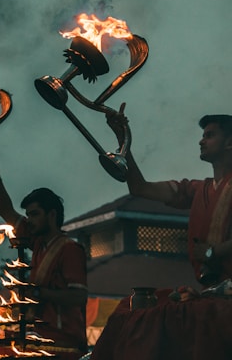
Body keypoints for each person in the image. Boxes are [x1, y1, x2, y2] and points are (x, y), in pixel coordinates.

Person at [88, 103, 232, 360]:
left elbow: (213, 252)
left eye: (209, 135)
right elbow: (140, 188)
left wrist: (215, 250)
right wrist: (124, 142)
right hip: (206, 292)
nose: (201, 141)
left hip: (225, 298)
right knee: (133, 308)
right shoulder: (198, 190)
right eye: (202, 135)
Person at [0, 148, 88, 360]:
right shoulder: (38, 243)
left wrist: (37, 293)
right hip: (39, 341)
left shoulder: (70, 249)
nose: (29, 219)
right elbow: (7, 212)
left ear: (52, 215)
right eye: (28, 215)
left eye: (35, 214)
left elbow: (79, 296)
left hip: (62, 346)